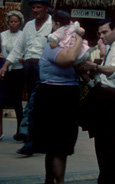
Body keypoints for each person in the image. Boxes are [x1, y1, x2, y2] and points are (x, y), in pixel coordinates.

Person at [80, 19, 115, 184]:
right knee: (103, 141)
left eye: (105, 32)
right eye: (100, 33)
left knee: (113, 142)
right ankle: (106, 175)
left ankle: (113, 177)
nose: (102, 36)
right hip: (106, 97)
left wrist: (94, 67)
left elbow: (114, 71)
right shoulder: (112, 48)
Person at [0, 0, 53, 155]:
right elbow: (18, 49)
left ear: (46, 8)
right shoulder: (28, 26)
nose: (36, 10)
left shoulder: (52, 24)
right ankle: (39, 140)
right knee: (36, 103)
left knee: (34, 102)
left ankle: (27, 138)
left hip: (45, 68)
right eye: (34, 7)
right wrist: (6, 65)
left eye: (39, 7)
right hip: (28, 68)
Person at [32, 22, 85, 184]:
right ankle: (59, 182)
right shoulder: (53, 48)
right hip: (53, 98)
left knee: (60, 148)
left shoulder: (69, 48)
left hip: (67, 98)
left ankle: (50, 180)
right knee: (57, 148)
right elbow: (71, 58)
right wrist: (78, 38)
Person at [0, 11, 26, 143]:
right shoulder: (3, 35)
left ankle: (20, 130)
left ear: (20, 23)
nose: (13, 24)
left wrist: (23, 59)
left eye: (16, 21)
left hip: (17, 70)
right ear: (7, 22)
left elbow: (26, 52)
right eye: (11, 21)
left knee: (16, 101)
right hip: (3, 69)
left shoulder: (23, 35)